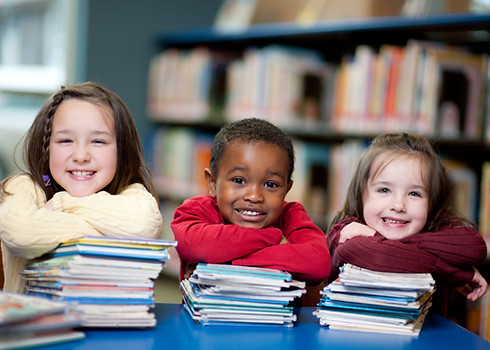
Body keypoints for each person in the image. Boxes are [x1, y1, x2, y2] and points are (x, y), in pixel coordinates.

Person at [0, 82, 163, 293]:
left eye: (98, 141)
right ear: (46, 148)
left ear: (121, 150)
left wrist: (61, 203)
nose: (81, 156)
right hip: (34, 325)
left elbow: (145, 225)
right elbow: (21, 234)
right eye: (65, 140)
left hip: (109, 321)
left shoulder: (130, 193)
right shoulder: (24, 187)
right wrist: (108, 231)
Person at [326, 132, 487, 316]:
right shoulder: (345, 230)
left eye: (414, 194)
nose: (398, 205)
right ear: (361, 194)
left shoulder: (432, 223)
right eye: (384, 190)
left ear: (432, 202)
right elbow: (377, 257)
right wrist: (452, 272)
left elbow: (474, 248)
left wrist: (374, 237)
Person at [171, 118, 330, 301]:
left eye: (271, 184)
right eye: (239, 180)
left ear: (287, 189)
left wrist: (222, 260)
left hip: (277, 325)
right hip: (207, 325)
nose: (254, 196)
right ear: (213, 183)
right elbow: (195, 245)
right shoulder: (196, 210)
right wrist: (273, 238)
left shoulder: (291, 215)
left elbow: (318, 263)